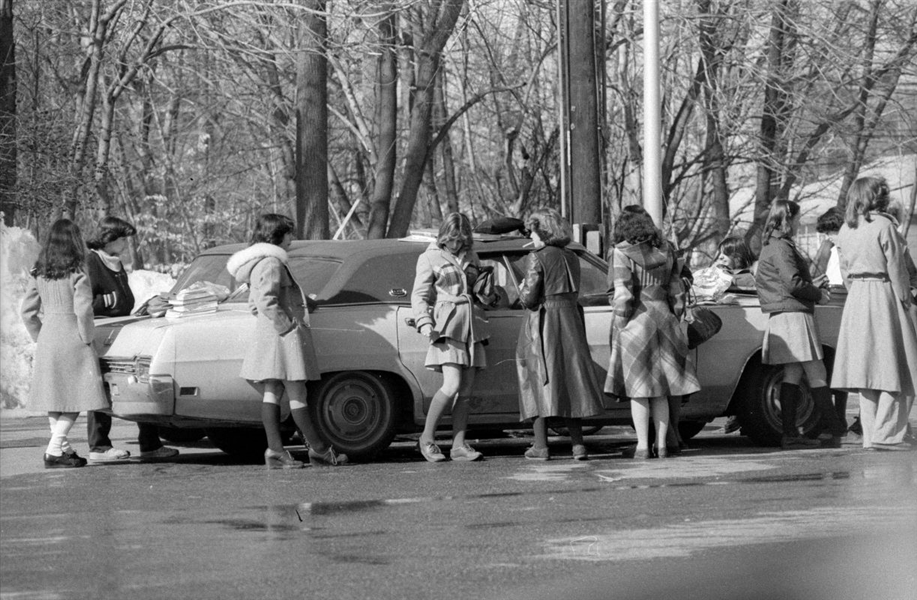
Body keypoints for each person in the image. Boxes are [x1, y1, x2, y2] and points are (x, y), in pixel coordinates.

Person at [227, 213, 347, 468]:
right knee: (297, 393)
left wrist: (302, 304)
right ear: (276, 235)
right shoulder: (271, 262)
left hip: (271, 336)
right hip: (283, 337)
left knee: (273, 391)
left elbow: (254, 304)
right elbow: (266, 301)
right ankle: (320, 450)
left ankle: (275, 450)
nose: (292, 238)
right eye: (288, 233)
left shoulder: (261, 262)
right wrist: (288, 326)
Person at [604, 205, 700, 459]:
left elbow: (623, 294)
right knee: (661, 390)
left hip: (637, 320)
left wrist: (620, 322)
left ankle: (643, 446)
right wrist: (676, 315)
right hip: (665, 318)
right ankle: (662, 445)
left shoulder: (621, 252)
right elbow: (677, 290)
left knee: (639, 390)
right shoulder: (667, 249)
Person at [831, 177, 917, 451]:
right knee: (900, 366)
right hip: (884, 294)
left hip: (857, 298)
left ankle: (872, 435)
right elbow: (897, 268)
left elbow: (845, 271)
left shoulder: (846, 228)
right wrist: (906, 300)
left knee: (866, 373)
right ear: (876, 197)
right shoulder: (884, 225)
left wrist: (858, 291)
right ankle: (888, 434)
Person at [84, 216, 179, 462]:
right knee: (102, 388)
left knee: (135, 383)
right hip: (101, 331)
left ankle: (149, 443)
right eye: (123, 238)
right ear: (110, 239)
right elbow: (86, 300)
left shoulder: (115, 263)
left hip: (120, 330)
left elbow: (124, 300)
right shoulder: (92, 261)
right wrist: (113, 301)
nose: (127, 243)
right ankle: (99, 446)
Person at [754, 200, 846, 449]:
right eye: (796, 218)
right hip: (794, 314)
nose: (797, 222)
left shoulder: (771, 245)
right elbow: (793, 283)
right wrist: (818, 294)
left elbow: (785, 282)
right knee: (817, 371)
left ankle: (791, 434)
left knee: (793, 373)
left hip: (783, 314)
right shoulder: (782, 247)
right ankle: (836, 430)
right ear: (787, 219)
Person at [515, 209, 605, 461]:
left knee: (536, 376)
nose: (530, 237)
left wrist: (521, 290)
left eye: (531, 231)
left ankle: (541, 446)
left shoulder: (537, 257)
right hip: (570, 319)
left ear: (541, 231)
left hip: (543, 321)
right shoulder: (572, 256)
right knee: (570, 378)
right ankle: (578, 446)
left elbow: (530, 298)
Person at [20, 219, 108, 468]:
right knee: (76, 396)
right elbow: (83, 311)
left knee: (55, 395)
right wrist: (87, 336)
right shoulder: (78, 271)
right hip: (73, 337)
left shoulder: (39, 272)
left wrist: (40, 336)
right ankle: (55, 448)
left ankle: (63, 448)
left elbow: (27, 312)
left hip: (49, 337)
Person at [411, 212, 496, 462]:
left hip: (473, 326)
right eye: (451, 239)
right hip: (446, 326)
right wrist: (424, 321)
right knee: (452, 384)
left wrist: (489, 294)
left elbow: (480, 292)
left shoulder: (472, 256)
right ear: (443, 236)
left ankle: (459, 445)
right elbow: (419, 296)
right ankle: (426, 440)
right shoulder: (429, 257)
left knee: (466, 389)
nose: (455, 244)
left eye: (460, 239)